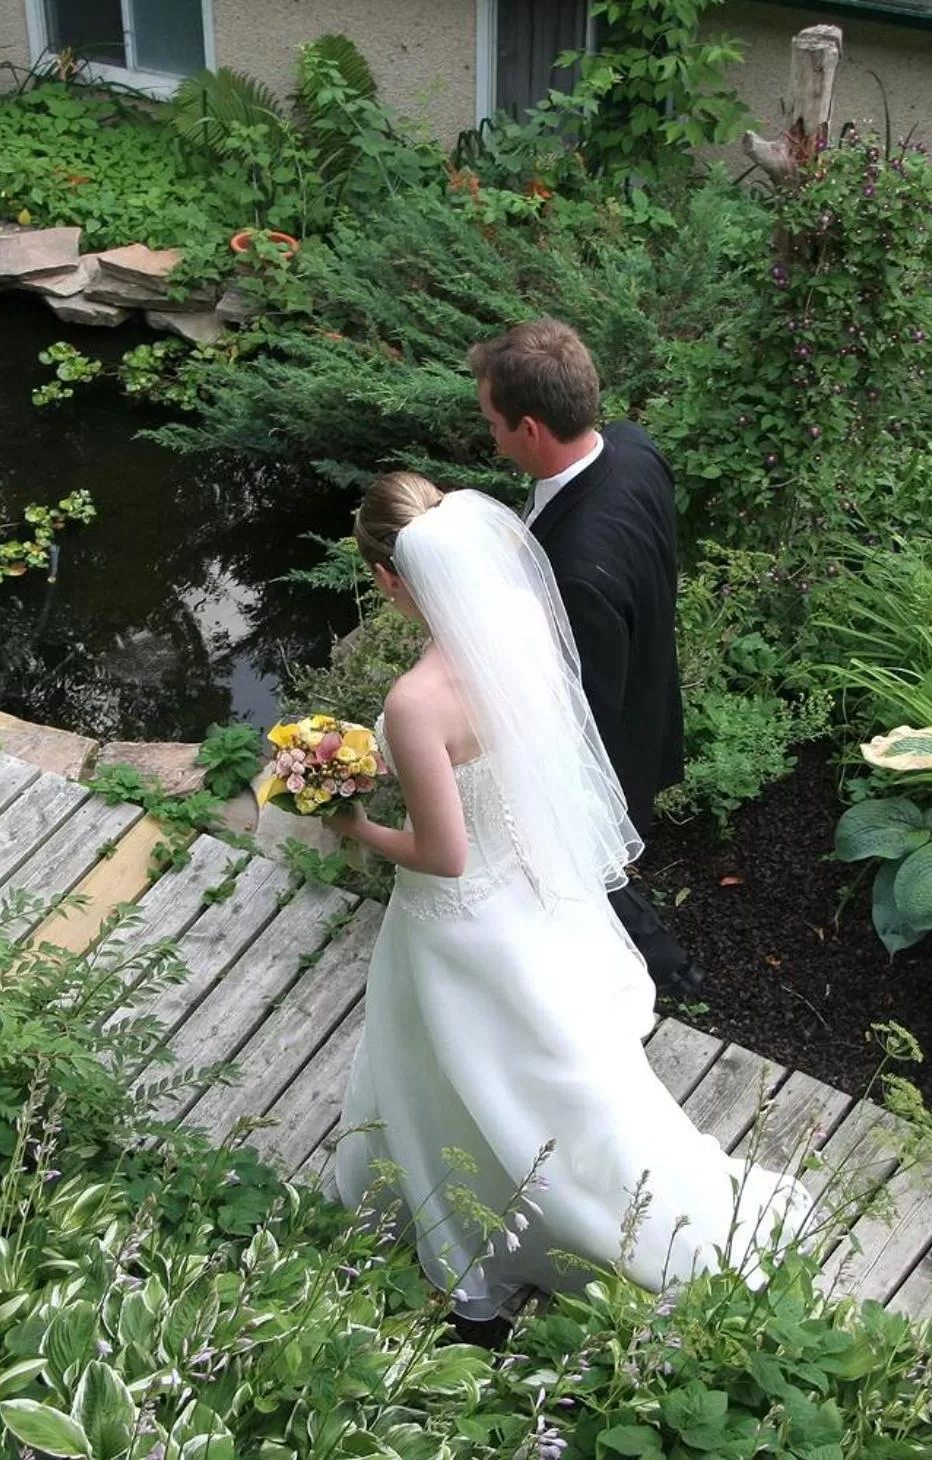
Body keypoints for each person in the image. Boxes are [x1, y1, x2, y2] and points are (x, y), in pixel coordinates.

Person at [326, 473, 810, 1321]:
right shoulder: (516, 622)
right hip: (532, 889)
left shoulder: (414, 704)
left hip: (460, 918)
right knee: (543, 1071)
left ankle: (504, 1220)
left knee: (452, 1067)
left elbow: (443, 855)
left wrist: (354, 826)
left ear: (388, 580)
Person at [467, 319, 704, 998]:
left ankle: (663, 968)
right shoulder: (632, 446)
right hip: (652, 687)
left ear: (531, 430)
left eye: (493, 422)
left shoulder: (576, 571)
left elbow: (584, 708)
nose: (491, 435)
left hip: (606, 742)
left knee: (589, 869)